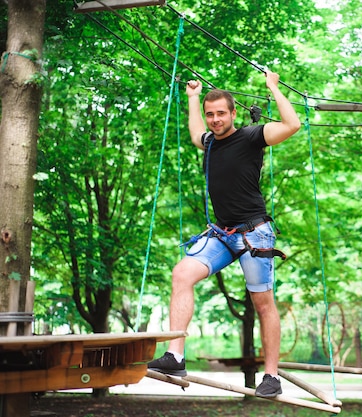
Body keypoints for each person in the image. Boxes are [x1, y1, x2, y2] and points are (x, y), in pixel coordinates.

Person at [148, 70, 301, 398]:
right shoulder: (210, 145)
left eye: (221, 113)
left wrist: (273, 88)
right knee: (182, 274)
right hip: (221, 234)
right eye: (210, 114)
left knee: (263, 303)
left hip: (254, 234)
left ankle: (271, 377)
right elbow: (195, 135)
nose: (215, 120)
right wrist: (192, 98)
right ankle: (175, 355)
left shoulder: (250, 137)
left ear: (233, 113)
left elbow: (292, 125)